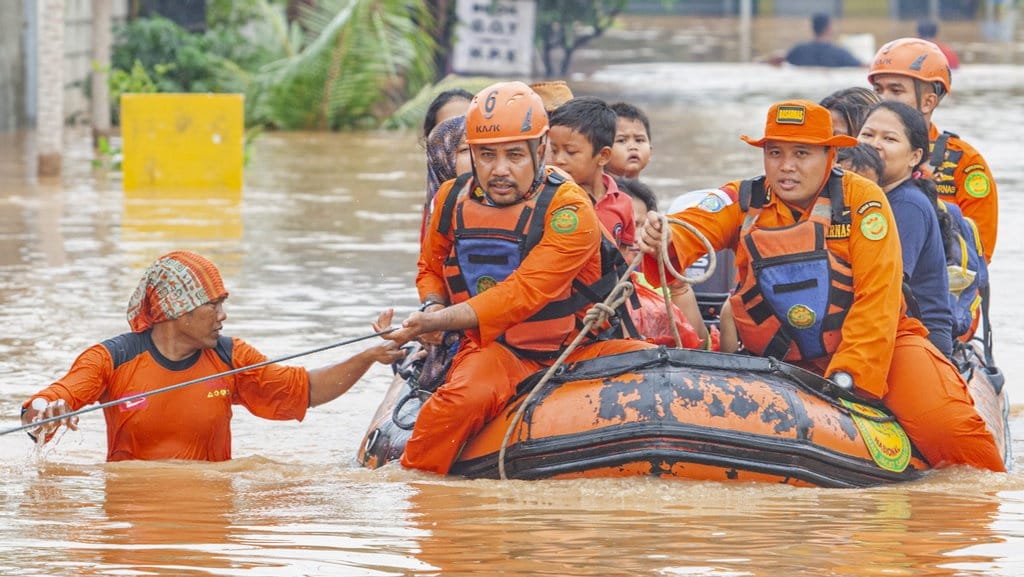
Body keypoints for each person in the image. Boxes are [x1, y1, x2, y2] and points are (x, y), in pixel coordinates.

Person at [635, 99, 1004, 472]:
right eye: (775, 153)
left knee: (952, 433)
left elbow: (878, 297)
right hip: (779, 359)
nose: (787, 166)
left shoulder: (862, 202)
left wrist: (848, 379)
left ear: (830, 155)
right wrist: (662, 235)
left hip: (881, 349)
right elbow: (691, 227)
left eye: (801, 153)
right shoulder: (744, 199)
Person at [377, 81, 654, 475]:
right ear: (471, 152)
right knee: (455, 405)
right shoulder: (451, 199)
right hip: (499, 349)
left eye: (514, 155)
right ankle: (416, 491)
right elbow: (430, 268)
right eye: (486, 155)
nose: (500, 170)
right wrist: (433, 305)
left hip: (579, 347)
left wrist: (441, 320)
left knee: (657, 380)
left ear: (540, 150)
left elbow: (523, 293)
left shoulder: (570, 211)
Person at [19, 251, 407, 462]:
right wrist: (44, 411)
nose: (223, 316)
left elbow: (303, 390)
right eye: (213, 305)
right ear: (177, 310)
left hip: (211, 522)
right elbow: (49, 404)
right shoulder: (112, 358)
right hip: (133, 522)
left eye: (223, 304)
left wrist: (369, 355)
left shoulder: (232, 356)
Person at [859, 101, 985, 345]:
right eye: (867, 134)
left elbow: (885, 288)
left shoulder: (908, 205)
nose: (874, 144)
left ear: (914, 157)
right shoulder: (867, 197)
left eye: (889, 139)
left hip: (918, 338)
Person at [869, 37, 998, 262]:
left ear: (928, 102)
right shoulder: (859, 154)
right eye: (878, 90)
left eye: (896, 91)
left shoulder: (963, 162)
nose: (882, 100)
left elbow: (979, 253)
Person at [617, 177, 709, 349]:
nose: (637, 237)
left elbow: (699, 348)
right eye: (627, 225)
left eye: (643, 225)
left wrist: (678, 286)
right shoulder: (582, 283)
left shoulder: (659, 283)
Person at [548, 96, 635, 251]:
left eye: (571, 152)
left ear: (603, 156)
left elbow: (623, 258)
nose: (559, 160)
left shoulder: (624, 204)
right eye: (554, 151)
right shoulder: (548, 199)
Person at [421, 114, 470, 241]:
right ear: (442, 158)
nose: (479, 157)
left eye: (484, 149)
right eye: (466, 150)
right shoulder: (439, 209)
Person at [785, 13, 862, 68]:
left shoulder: (798, 50)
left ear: (813, 28)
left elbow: (777, 60)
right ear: (828, 28)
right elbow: (862, 66)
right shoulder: (839, 53)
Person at [607, 102, 653, 179]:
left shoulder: (643, 191)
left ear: (650, 151)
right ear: (603, 154)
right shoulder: (597, 190)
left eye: (639, 140)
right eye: (621, 140)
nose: (633, 147)